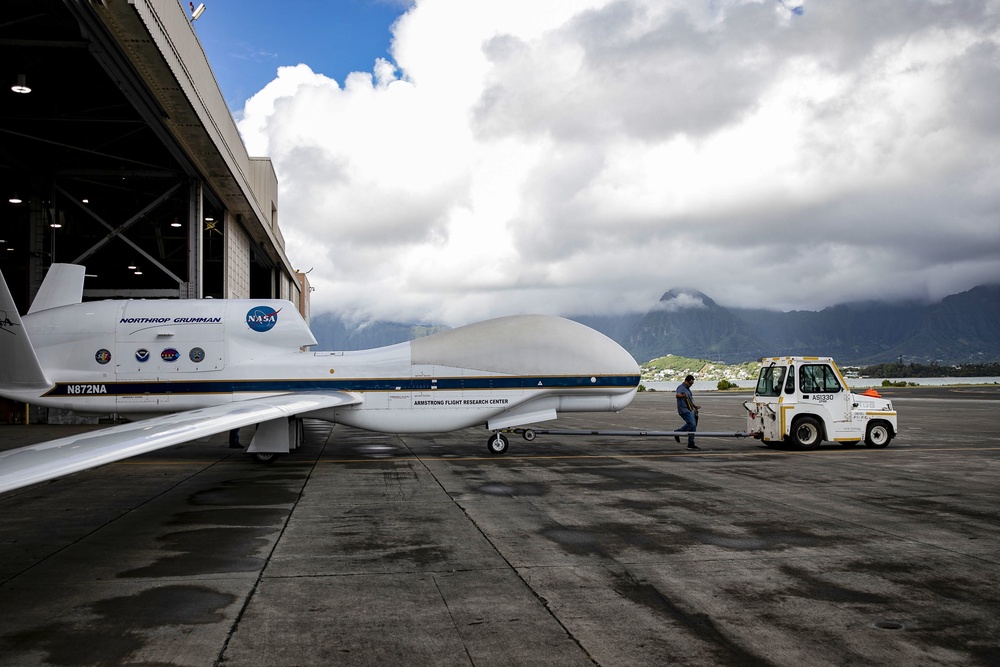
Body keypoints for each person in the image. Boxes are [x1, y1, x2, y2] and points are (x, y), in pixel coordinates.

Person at [674, 375, 700, 450]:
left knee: (693, 426)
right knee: (692, 424)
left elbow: (690, 400)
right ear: (686, 381)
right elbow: (677, 395)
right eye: (690, 383)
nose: (691, 385)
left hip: (689, 409)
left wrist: (695, 406)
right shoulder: (681, 387)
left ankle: (691, 444)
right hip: (683, 410)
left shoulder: (688, 389)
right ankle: (677, 432)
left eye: (692, 384)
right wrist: (683, 395)